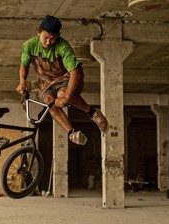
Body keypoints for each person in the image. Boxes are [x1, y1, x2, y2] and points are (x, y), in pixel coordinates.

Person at [16, 15, 109, 145]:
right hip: (46, 81)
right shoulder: (29, 45)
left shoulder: (63, 47)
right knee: (49, 102)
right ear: (39, 32)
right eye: (45, 38)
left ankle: (93, 112)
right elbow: (24, 65)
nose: (48, 42)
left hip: (67, 77)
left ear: (58, 36)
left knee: (61, 94)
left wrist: (66, 96)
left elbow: (75, 72)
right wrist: (22, 81)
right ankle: (72, 133)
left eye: (52, 38)